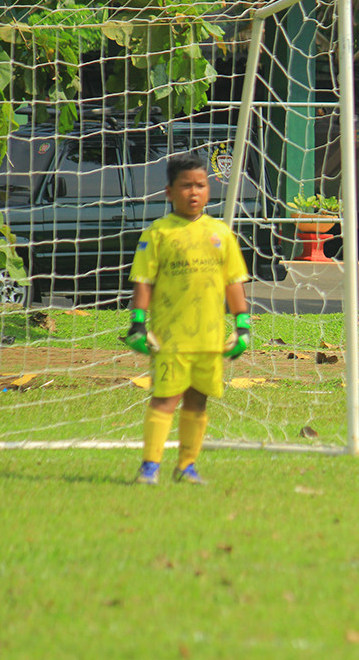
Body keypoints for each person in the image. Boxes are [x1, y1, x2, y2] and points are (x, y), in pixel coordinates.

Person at [125, 153, 252, 485]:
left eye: (201, 185)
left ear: (209, 189)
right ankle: (149, 466)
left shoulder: (220, 233)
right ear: (169, 192)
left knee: (198, 399)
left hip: (209, 339)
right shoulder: (158, 233)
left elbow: (233, 281)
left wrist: (243, 326)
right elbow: (144, 281)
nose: (194, 192)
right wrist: (138, 323)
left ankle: (186, 465)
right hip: (171, 338)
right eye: (186, 186)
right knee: (166, 398)